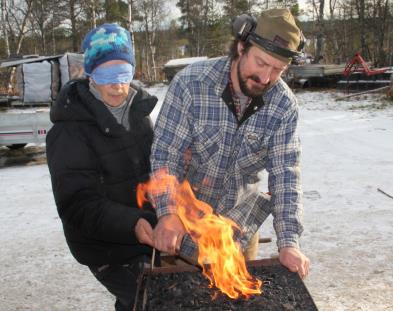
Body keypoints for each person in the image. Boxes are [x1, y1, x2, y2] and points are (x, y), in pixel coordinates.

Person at [150, 8, 310, 279]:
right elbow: (166, 155)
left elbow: (286, 176)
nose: (266, 78)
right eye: (260, 63)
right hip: (183, 229)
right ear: (240, 47)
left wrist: (289, 242)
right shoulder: (191, 84)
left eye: (278, 70)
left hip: (238, 230)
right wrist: (167, 213)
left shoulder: (283, 106)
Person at [46, 23, 157, 310]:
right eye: (107, 74)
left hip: (145, 235)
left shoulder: (139, 113)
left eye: (123, 73)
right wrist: (133, 223)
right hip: (104, 246)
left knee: (153, 297)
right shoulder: (68, 130)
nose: (117, 85)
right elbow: (76, 204)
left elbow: (154, 171)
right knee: (152, 301)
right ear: (90, 74)